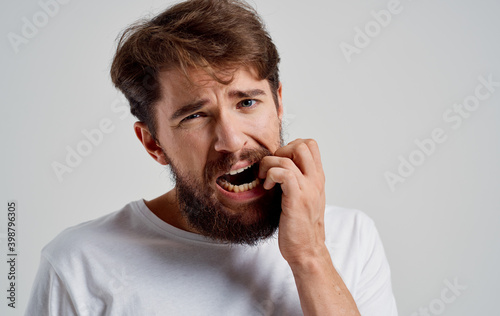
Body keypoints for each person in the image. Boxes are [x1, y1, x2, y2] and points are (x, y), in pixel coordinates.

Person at [26, 0, 398, 315]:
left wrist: (310, 257)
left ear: (279, 103)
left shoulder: (352, 238)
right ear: (153, 143)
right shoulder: (77, 266)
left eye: (247, 102)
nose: (232, 141)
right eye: (195, 116)